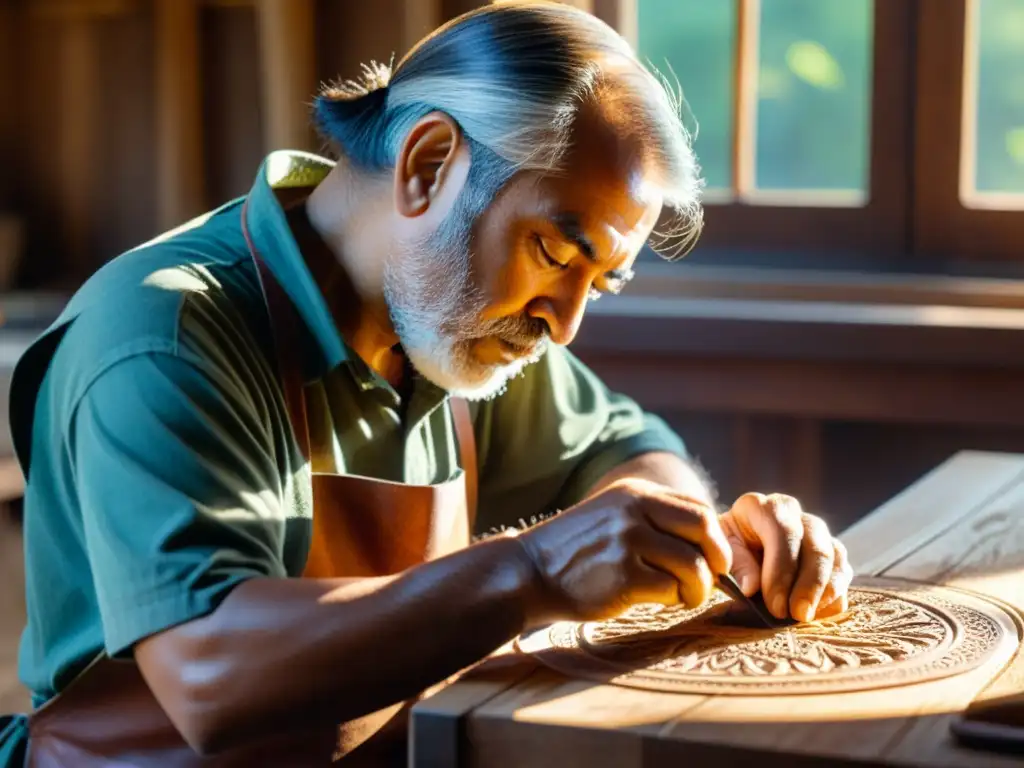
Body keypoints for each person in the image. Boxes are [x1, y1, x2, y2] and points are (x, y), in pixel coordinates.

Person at [0, 2, 853, 765]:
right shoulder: (164, 337)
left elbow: (630, 448)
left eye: (599, 281)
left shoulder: (449, 318)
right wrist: (534, 570)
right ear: (428, 165)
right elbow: (212, 676)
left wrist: (697, 537)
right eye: (556, 253)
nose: (565, 323)